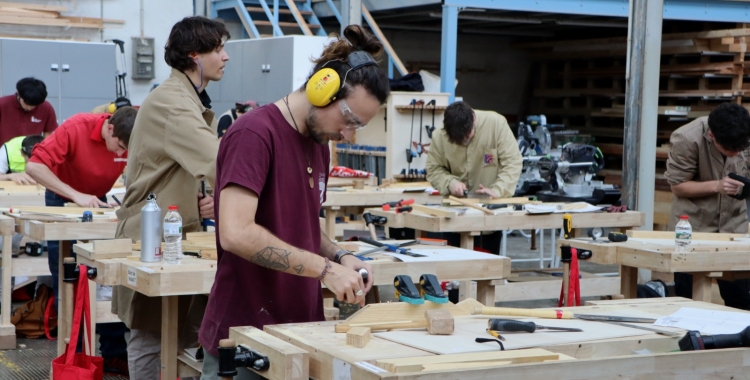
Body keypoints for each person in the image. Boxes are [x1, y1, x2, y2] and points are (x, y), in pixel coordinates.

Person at [198, 24, 387, 379]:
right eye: (348, 120)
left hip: (300, 332)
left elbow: (301, 224)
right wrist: (326, 271)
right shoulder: (254, 134)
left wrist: (340, 255)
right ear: (322, 88)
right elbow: (235, 233)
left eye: (357, 127)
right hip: (245, 336)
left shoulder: (319, 143)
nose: (347, 135)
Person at [111, 16, 229, 379]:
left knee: (176, 335)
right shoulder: (173, 102)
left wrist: (200, 200)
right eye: (219, 48)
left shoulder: (187, 98)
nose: (225, 57)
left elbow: (180, 168)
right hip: (150, 233)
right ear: (195, 55)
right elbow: (216, 160)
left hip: (172, 228)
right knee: (151, 335)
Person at [24, 106, 137, 375]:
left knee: (109, 279)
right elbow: (34, 166)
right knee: (69, 279)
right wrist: (75, 195)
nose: (121, 155)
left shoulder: (135, 126)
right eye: (119, 146)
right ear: (109, 128)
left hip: (97, 203)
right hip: (63, 198)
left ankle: (113, 353)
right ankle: (74, 356)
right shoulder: (76, 128)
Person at [666, 102, 750, 309]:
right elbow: (678, 186)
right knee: (687, 300)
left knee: (742, 298)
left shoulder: (745, 136)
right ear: (712, 136)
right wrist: (717, 186)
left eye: (740, 148)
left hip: (734, 227)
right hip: (693, 229)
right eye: (730, 149)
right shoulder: (686, 138)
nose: (736, 153)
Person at [425, 101, 522, 253]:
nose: (465, 141)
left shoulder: (496, 124)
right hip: (455, 216)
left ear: (474, 120)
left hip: (488, 215)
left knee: (488, 267)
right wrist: (450, 183)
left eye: (467, 137)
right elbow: (433, 169)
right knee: (454, 268)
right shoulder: (440, 136)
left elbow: (513, 162)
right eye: (459, 141)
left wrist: (498, 190)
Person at [0, 77, 57, 145]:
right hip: (3, 153)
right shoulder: (2, 105)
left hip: (32, 153)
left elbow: (48, 134)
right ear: (18, 93)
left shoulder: (46, 108)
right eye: (27, 104)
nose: (30, 108)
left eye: (34, 105)